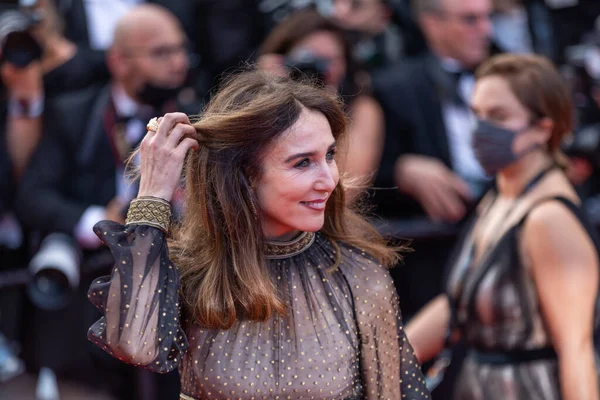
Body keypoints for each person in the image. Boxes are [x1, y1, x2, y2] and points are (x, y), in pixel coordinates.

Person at [87, 69, 431, 400]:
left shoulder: (359, 276)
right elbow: (134, 345)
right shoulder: (191, 271)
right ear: (245, 175)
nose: (329, 179)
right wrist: (152, 194)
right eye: (302, 163)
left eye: (329, 155)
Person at [14, 5, 196, 398]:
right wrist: (101, 223)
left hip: (181, 292)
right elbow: (33, 198)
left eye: (181, 50)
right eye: (162, 53)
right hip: (90, 293)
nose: (179, 63)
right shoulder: (73, 114)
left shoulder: (201, 115)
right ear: (119, 61)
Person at [406, 53, 600, 400]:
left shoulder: (549, 219)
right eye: (477, 113)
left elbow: (578, 351)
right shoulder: (502, 193)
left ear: (543, 128)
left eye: (498, 116)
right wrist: (388, 360)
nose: (480, 128)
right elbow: (458, 306)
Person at [258, 9, 385, 190]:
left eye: (332, 59)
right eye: (311, 58)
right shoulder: (266, 100)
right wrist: (267, 99)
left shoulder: (362, 110)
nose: (325, 69)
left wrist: (327, 111)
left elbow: (347, 189)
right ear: (284, 59)